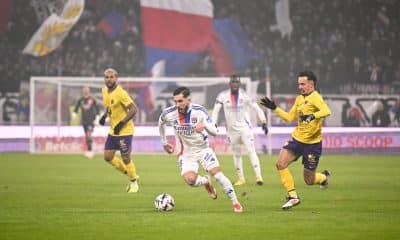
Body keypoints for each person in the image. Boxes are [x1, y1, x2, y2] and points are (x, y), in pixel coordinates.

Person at [158, 86, 243, 213]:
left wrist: (205, 126)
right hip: (185, 153)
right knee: (191, 181)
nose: (177, 104)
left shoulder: (200, 111)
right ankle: (205, 182)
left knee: (218, 176)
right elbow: (161, 123)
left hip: (203, 150)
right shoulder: (169, 113)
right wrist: (164, 142)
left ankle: (236, 203)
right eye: (175, 101)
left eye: (180, 101)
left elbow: (214, 131)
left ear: (188, 100)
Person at [259, 71, 331, 210]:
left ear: (311, 84)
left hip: (312, 145)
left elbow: (327, 111)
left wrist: (312, 116)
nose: (300, 87)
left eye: (303, 84)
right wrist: (275, 108)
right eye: (299, 84)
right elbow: (288, 118)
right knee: (280, 164)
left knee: (309, 180)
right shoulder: (299, 99)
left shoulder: (316, 97)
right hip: (297, 140)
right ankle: (293, 197)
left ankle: (322, 178)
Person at [211, 74, 268, 186]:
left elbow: (257, 109)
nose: (235, 84)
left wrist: (264, 122)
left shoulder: (245, 96)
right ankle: (241, 179)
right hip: (231, 131)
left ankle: (258, 176)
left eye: (237, 82)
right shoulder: (222, 96)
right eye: (233, 82)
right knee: (236, 154)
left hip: (245, 129)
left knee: (251, 151)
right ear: (230, 84)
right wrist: (214, 123)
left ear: (240, 84)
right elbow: (215, 111)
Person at [98, 68, 139, 193]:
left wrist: (121, 123)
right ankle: (129, 172)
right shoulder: (104, 91)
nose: (109, 79)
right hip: (113, 131)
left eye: (111, 77)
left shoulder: (121, 93)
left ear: (116, 78)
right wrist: (104, 116)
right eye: (107, 77)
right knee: (108, 157)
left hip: (125, 130)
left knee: (126, 157)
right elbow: (109, 106)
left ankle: (134, 183)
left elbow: (133, 109)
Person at [72, 86, 100, 158]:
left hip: (91, 120)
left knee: (88, 134)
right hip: (84, 121)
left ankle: (90, 151)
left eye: (87, 89)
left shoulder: (92, 99)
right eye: (84, 89)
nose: (86, 90)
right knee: (87, 136)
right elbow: (76, 108)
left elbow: (97, 109)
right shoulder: (80, 100)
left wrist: (97, 118)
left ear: (89, 90)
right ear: (83, 90)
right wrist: (74, 114)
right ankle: (89, 149)